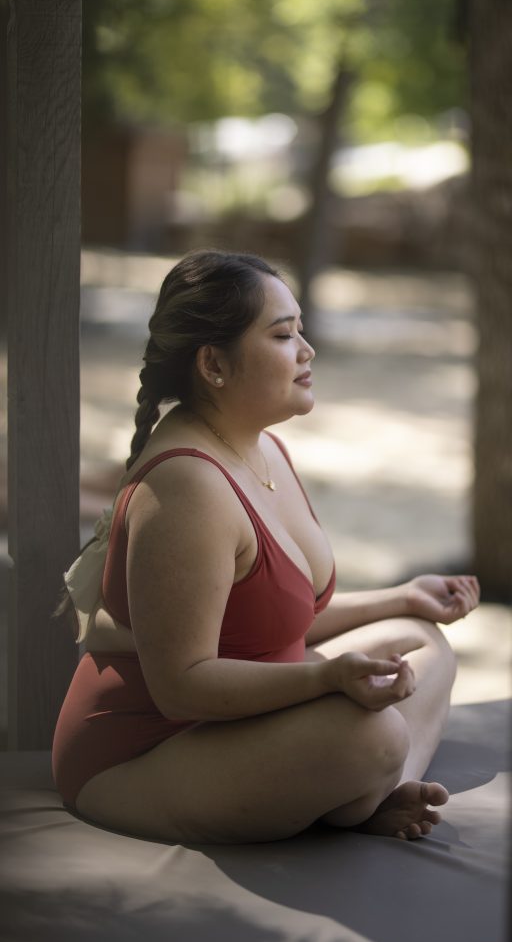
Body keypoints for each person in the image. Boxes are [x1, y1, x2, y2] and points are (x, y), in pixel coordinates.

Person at [52, 249, 480, 845]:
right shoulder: (186, 487)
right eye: (283, 335)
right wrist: (327, 682)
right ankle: (365, 786)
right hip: (147, 753)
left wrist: (402, 596)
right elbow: (182, 684)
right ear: (213, 364)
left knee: (420, 640)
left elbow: (269, 620)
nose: (307, 351)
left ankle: (369, 792)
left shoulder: (262, 448)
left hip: (246, 717)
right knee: (372, 734)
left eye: (301, 331)